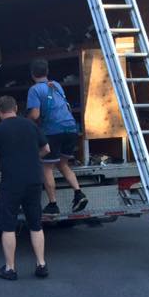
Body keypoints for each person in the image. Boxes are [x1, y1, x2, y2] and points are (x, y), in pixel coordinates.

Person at [0, 95, 51, 280]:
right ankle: (41, 265)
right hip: (33, 180)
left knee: (8, 226)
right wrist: (33, 158)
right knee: (35, 224)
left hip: (11, 182)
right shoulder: (31, 125)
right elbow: (46, 149)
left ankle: (10, 269)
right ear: (15, 108)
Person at [26, 58, 88, 215]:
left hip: (53, 131)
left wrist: (24, 121)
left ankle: (53, 204)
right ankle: (78, 193)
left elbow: (35, 114)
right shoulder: (56, 85)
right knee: (62, 164)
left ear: (32, 74)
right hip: (71, 129)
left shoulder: (34, 90)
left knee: (46, 167)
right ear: (47, 72)